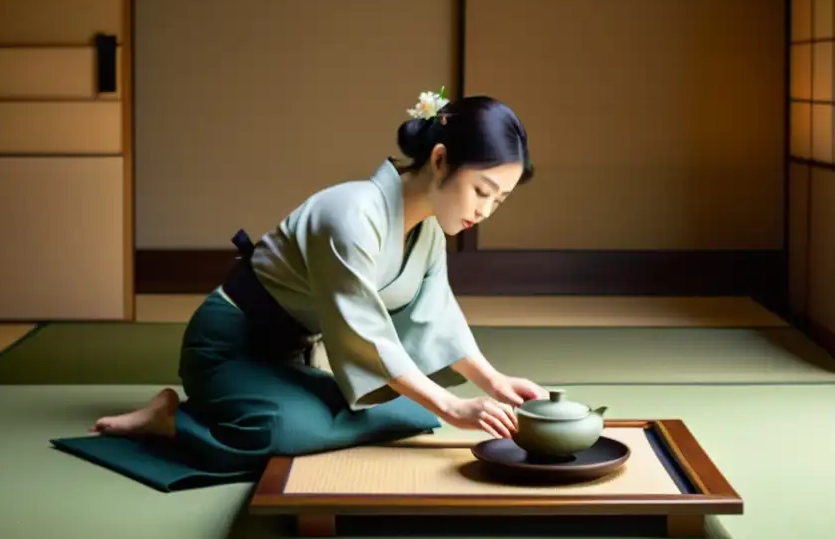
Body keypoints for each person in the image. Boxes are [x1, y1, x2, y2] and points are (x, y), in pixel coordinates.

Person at [91, 91, 548, 457]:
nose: (484, 211)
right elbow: (365, 334)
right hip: (232, 344)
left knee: (414, 413)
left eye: (498, 200)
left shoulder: (427, 229)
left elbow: (435, 313)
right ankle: (170, 419)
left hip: (295, 354)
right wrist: (451, 404)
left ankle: (265, 402)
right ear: (441, 160)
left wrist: (493, 381)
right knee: (282, 433)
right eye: (482, 191)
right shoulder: (350, 214)